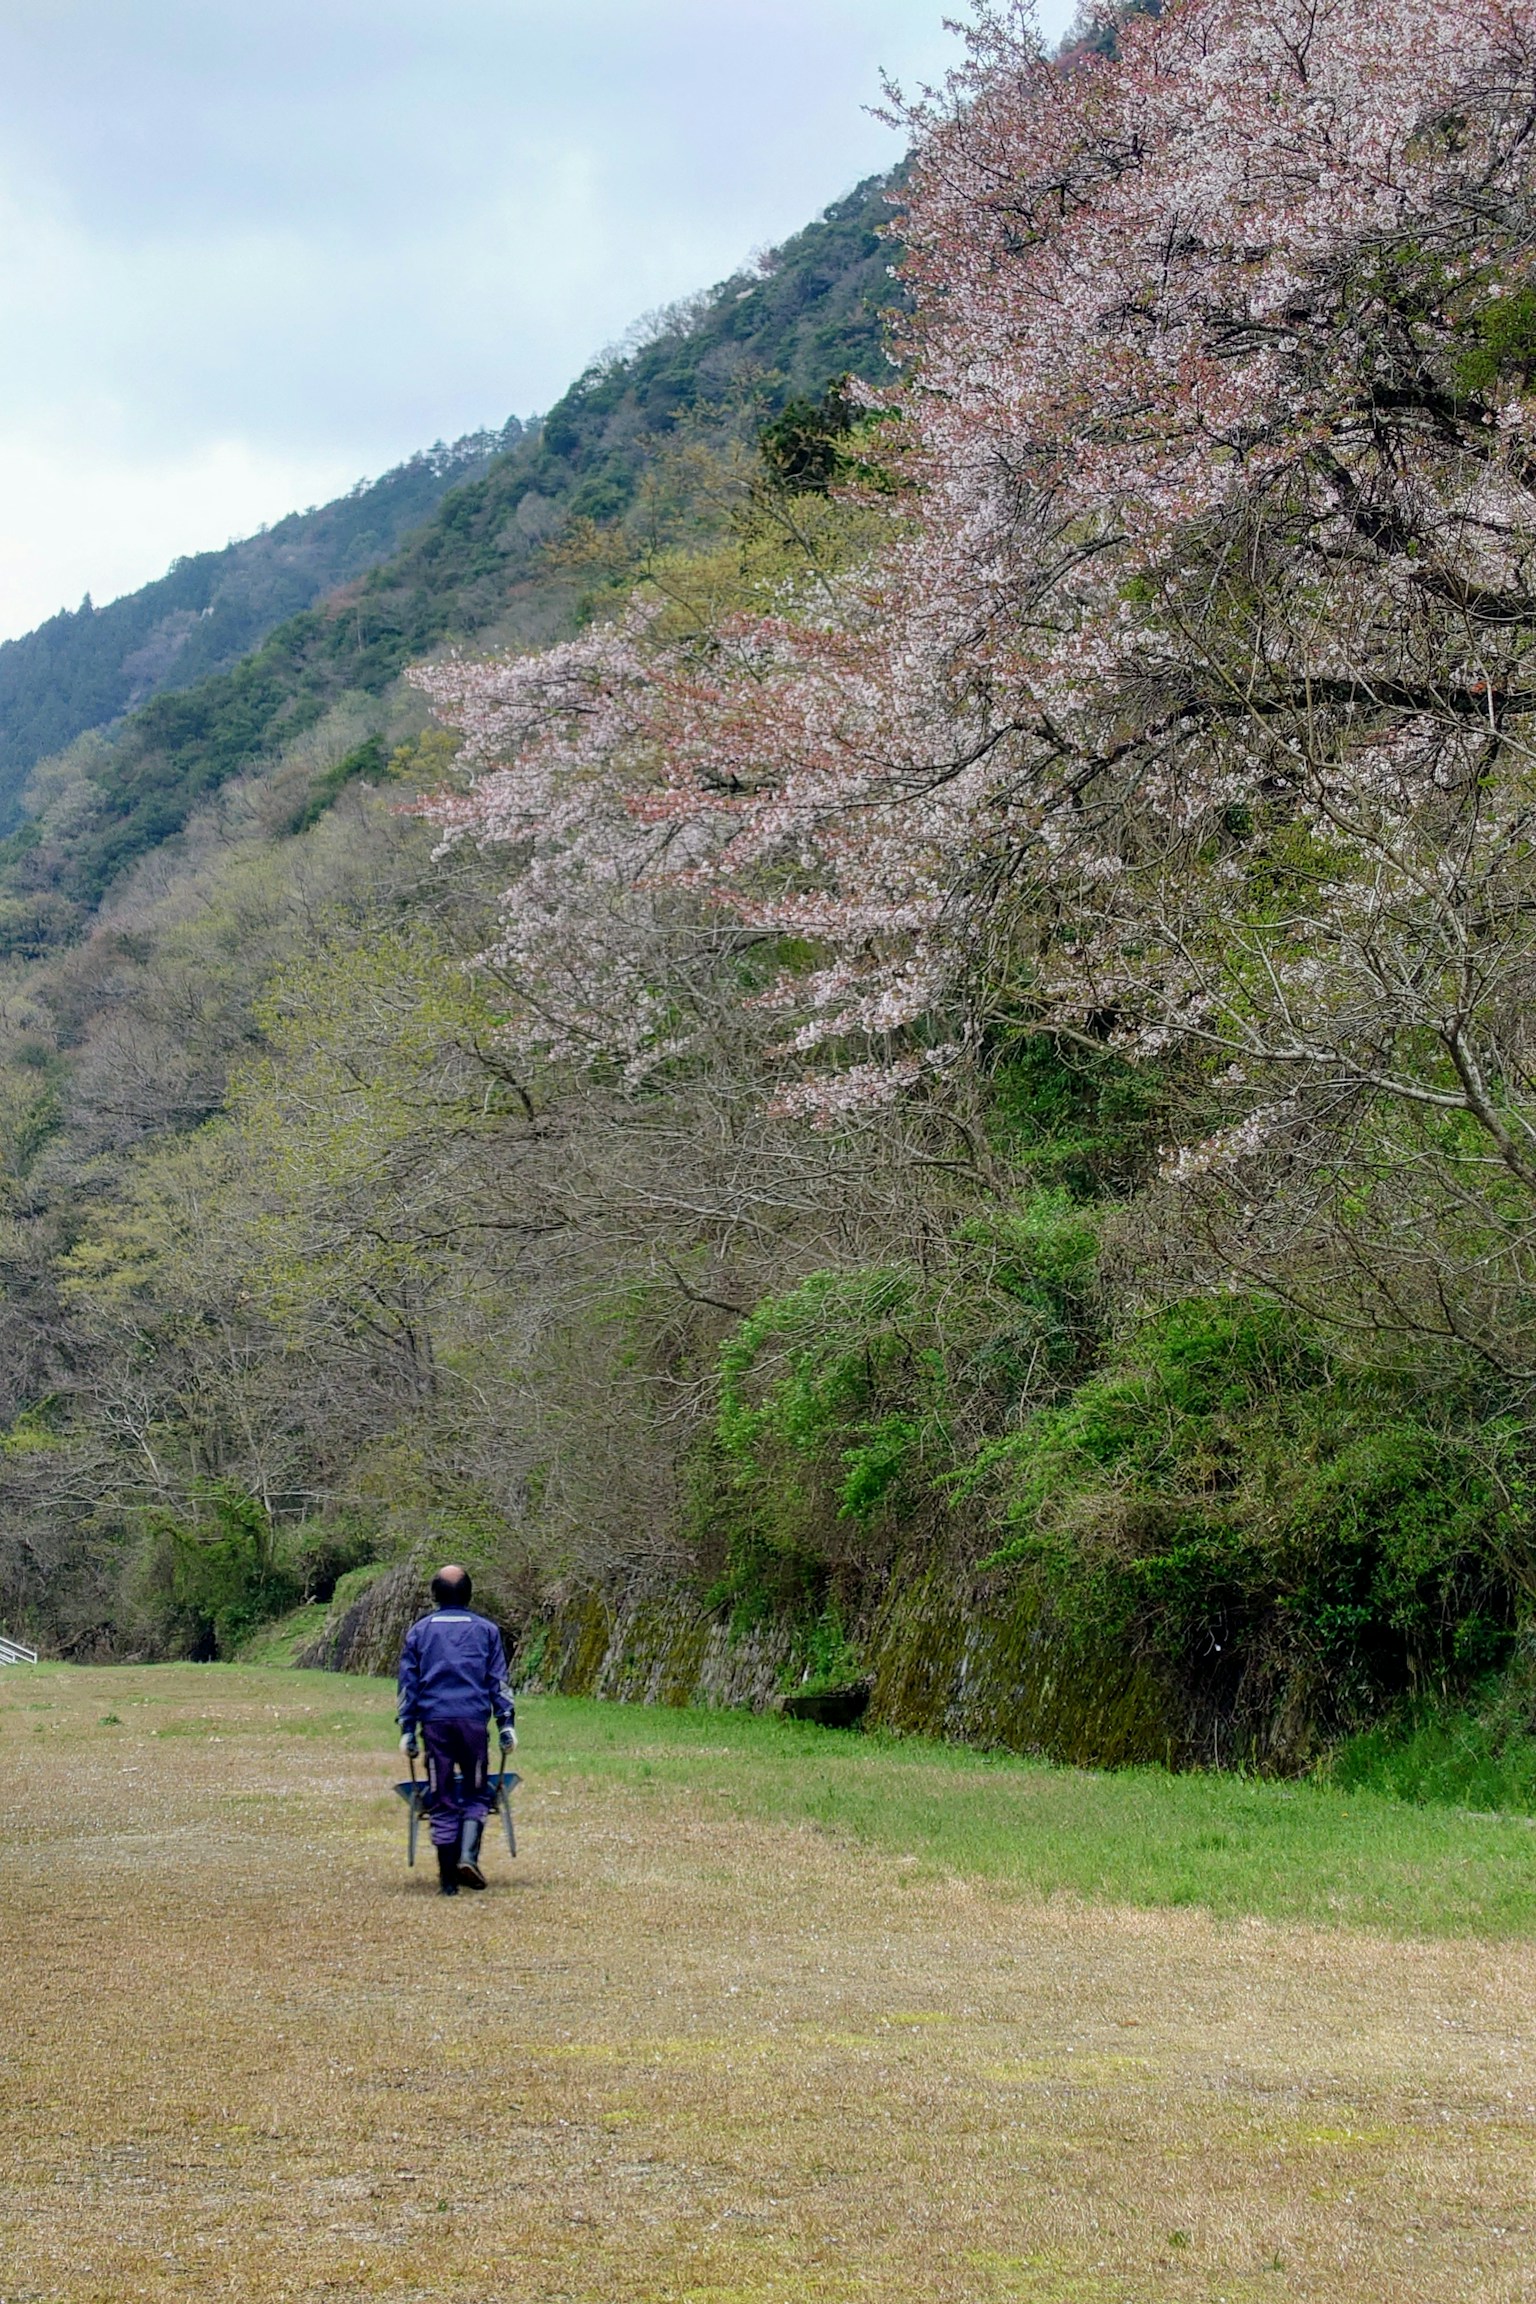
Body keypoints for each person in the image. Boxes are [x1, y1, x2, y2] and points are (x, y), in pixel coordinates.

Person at [397, 1564, 516, 1896]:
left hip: (435, 1725)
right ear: (469, 1594)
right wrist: (506, 1724)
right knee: (478, 1792)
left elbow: (408, 1686)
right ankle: (467, 1856)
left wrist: (407, 1729)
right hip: (473, 1724)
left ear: (434, 1596)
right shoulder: (487, 1631)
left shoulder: (419, 1632)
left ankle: (448, 1880)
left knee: (442, 1797)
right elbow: (499, 1683)